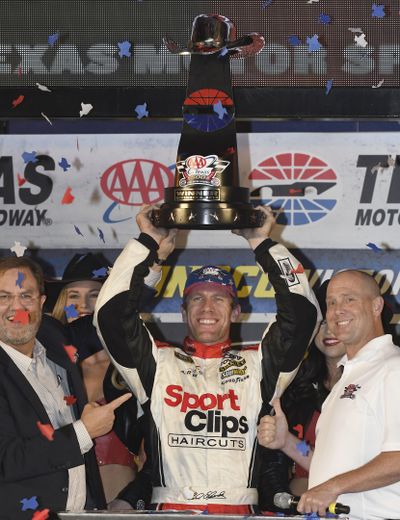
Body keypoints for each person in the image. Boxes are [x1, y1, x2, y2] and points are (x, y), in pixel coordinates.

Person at [93, 204, 321, 513]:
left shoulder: (260, 364)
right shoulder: (158, 362)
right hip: (171, 509)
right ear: (184, 313)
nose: (207, 308)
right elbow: (110, 316)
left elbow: (304, 313)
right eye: (197, 299)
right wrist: (147, 242)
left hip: (239, 509)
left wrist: (263, 243)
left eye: (219, 299)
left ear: (236, 311)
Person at [258, 269, 400, 520]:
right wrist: (288, 443)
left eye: (349, 299)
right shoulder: (348, 378)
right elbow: (326, 464)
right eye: (331, 303)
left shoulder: (394, 368)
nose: (337, 310)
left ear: (377, 306)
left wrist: (331, 488)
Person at [0, 255, 131, 519]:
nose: (17, 308)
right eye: (3, 297)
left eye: (26, 296)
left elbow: (110, 317)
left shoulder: (54, 340)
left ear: (42, 302)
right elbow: (6, 460)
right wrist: (84, 432)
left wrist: (151, 252)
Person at [258, 281, 346, 511]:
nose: (330, 330)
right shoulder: (294, 388)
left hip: (362, 508)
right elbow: (304, 453)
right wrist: (284, 502)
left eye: (339, 321)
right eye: (323, 322)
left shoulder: (384, 379)